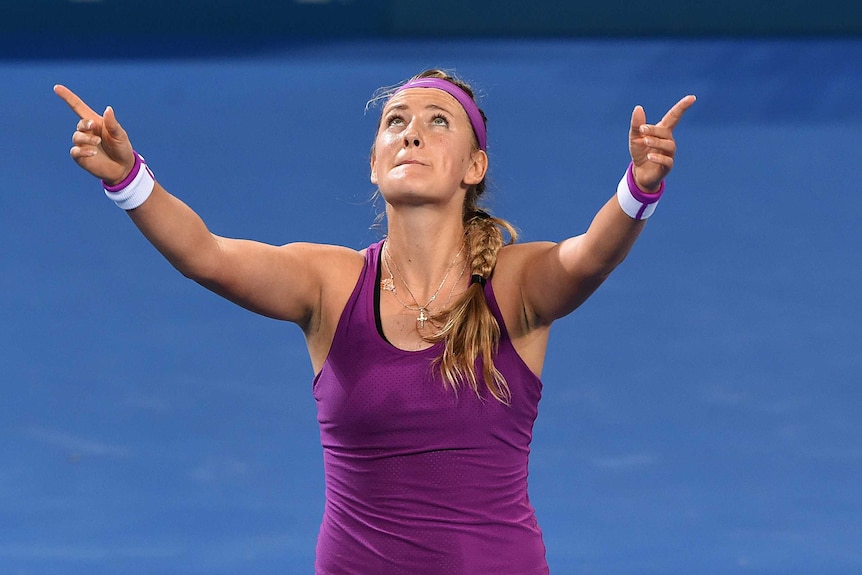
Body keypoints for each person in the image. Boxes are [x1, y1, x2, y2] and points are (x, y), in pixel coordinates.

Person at [55, 69, 695, 574]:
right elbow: (206, 255)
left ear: (475, 168)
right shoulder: (328, 284)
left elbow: (590, 257)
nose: (411, 133)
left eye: (438, 122)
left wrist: (637, 189)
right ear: (373, 161)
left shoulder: (514, 282)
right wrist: (127, 180)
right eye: (395, 122)